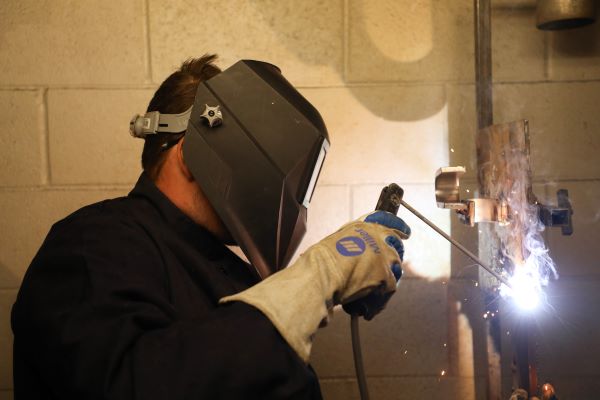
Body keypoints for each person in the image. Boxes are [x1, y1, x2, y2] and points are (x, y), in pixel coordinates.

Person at [11, 55, 411, 400]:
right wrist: (318, 277)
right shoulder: (93, 242)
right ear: (190, 155)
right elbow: (135, 386)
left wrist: (319, 289)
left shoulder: (234, 274)